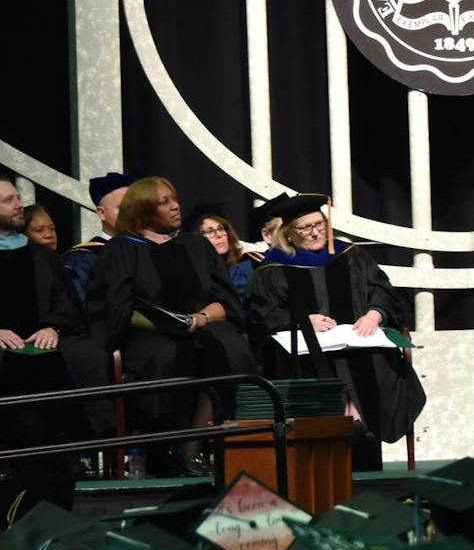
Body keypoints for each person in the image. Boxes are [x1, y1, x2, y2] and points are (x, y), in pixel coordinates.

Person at [85, 176, 255, 475]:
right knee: (165, 355)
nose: (176, 206)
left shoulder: (196, 244)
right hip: (150, 332)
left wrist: (199, 319)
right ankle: (163, 451)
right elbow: (114, 308)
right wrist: (167, 324)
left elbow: (225, 299)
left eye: (174, 198)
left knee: (229, 348)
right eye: (164, 202)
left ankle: (194, 449)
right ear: (144, 210)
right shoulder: (121, 250)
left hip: (201, 323)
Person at [246, 193, 426, 462]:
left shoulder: (353, 255)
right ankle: (343, 433)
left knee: (378, 366)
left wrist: (375, 314)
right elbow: (259, 313)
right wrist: (301, 320)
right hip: (308, 352)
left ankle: (363, 430)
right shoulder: (272, 268)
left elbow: (383, 289)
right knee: (319, 370)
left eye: (320, 224)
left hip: (362, 344)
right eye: (305, 228)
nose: (315, 232)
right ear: (289, 233)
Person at [0, 179, 113, 511]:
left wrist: (54, 327)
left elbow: (67, 303)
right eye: (8, 200)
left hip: (45, 346)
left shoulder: (41, 256)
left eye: (17, 198)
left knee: (82, 356)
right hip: (6, 355)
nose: (18, 205)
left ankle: (70, 458)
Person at [63, 172, 134, 303]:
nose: (130, 213)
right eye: (122, 207)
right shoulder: (82, 258)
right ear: (102, 213)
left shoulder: (147, 250)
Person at [188, 207, 257, 300]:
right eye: (210, 231)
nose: (219, 235)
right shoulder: (198, 276)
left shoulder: (245, 264)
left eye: (220, 229)